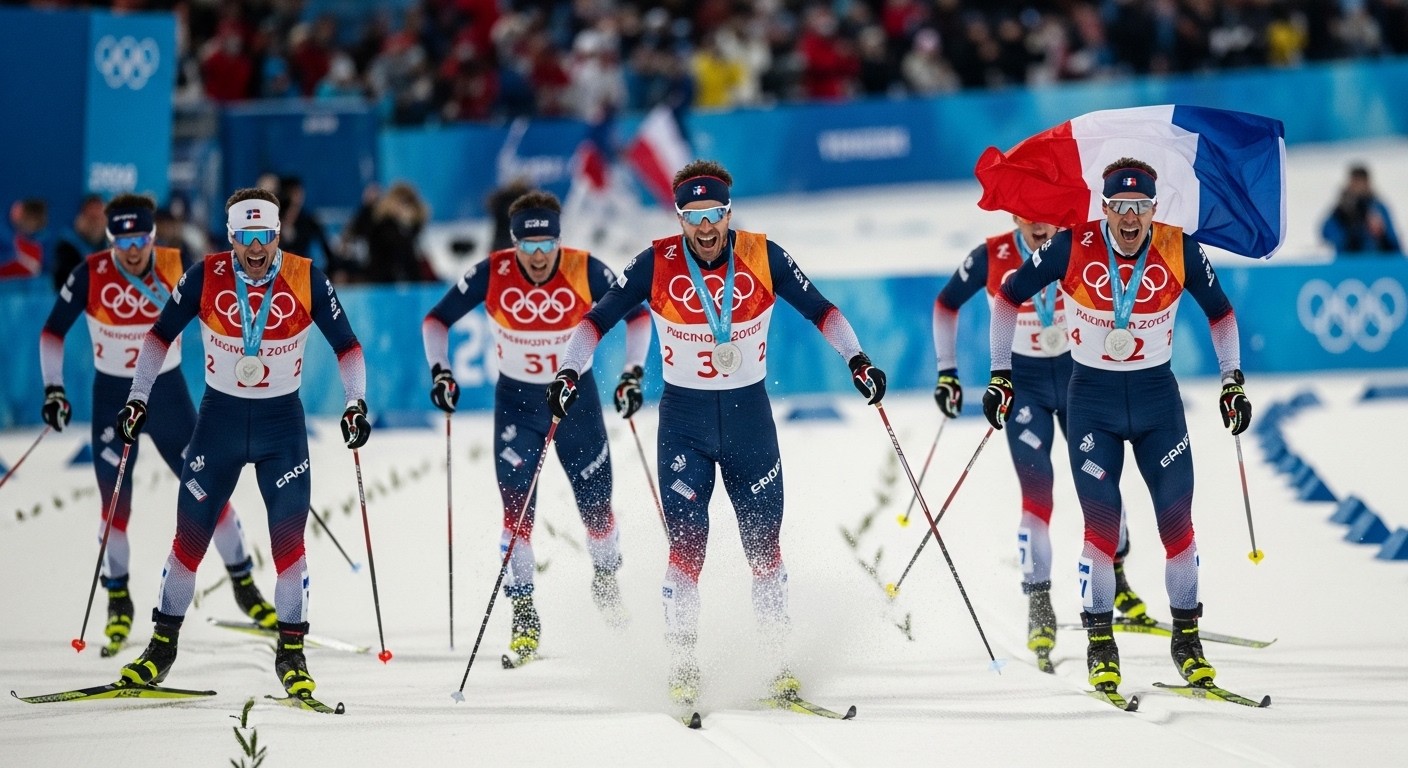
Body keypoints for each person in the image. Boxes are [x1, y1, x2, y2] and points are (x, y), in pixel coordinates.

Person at [546, 160, 888, 708]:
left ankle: (778, 667)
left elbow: (823, 311)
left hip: (751, 422)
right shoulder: (655, 262)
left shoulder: (762, 254)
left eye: (715, 214)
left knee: (764, 549)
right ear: (680, 216)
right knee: (687, 548)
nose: (706, 227)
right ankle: (682, 665)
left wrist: (859, 361)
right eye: (693, 215)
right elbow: (593, 322)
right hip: (684, 425)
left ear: (729, 212)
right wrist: (568, 370)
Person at [982, 158, 1252, 699]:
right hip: (1094, 405)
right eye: (1120, 207)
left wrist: (1232, 382)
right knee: (1100, 532)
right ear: (1104, 207)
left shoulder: (1179, 247)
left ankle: (1187, 642)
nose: (1130, 219)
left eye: (1140, 207)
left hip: (1158, 405)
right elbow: (1009, 295)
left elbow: (1221, 313)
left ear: (1155, 207)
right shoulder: (1073, 244)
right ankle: (1101, 647)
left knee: (1178, 528)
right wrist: (1000, 376)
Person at [113, 187, 370, 697]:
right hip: (219, 424)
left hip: (282, 430)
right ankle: (160, 649)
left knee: (290, 550)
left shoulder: (305, 276)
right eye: (245, 237)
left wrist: (355, 403)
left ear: (278, 234)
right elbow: (158, 336)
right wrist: (138, 397)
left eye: (266, 236)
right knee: (187, 544)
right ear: (230, 235)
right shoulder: (206, 275)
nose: (256, 248)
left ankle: (291, 655)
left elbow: (349, 347)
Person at [37, 193, 277, 658]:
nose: (131, 250)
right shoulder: (90, 274)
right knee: (114, 511)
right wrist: (53, 389)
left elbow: (221, 315)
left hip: (168, 401)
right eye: (120, 240)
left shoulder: (177, 264)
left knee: (210, 496)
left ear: (153, 235)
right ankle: (119, 601)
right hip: (113, 402)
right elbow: (52, 332)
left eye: (140, 238)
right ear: (110, 239)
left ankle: (245, 585)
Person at [422, 190, 652, 664]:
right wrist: (440, 372)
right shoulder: (492, 272)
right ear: (513, 244)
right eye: (528, 247)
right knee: (516, 513)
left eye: (548, 243)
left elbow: (639, 317)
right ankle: (524, 614)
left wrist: (632, 373)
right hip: (518, 405)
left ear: (559, 240)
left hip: (576, 405)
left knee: (598, 511)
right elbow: (435, 321)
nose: (539, 255)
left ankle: (606, 583)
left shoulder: (585, 268)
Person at [932, 215, 1157, 674]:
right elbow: (945, 304)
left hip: (1080, 381)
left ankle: (1117, 576)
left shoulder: (1078, 244)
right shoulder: (992, 254)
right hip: (1025, 388)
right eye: (1030, 218)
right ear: (1014, 217)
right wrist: (947, 370)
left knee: (1102, 486)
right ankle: (1039, 605)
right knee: (1038, 495)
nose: (1041, 226)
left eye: (1050, 217)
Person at [1321, 164, 1402, 256]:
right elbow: (1326, 232)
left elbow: (1393, 240)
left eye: (1362, 182)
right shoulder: (1341, 210)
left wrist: (1382, 234)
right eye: (1356, 182)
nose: (1359, 187)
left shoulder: (1378, 208)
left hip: (1378, 261)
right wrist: (1347, 232)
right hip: (1350, 261)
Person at [52, 194, 108, 290]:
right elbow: (63, 281)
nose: (96, 224)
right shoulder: (67, 245)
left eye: (100, 218)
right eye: (92, 218)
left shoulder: (111, 244)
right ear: (82, 218)